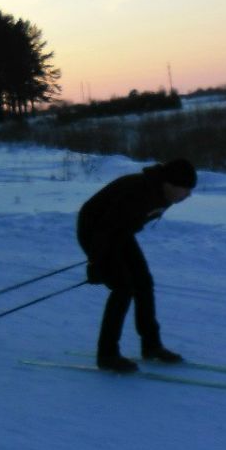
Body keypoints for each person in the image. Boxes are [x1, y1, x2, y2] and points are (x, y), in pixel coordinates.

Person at [76, 158, 197, 372]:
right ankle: (107, 354)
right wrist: (95, 263)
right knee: (123, 288)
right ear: (170, 184)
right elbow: (105, 227)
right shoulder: (138, 192)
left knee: (143, 282)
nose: (188, 195)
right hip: (95, 230)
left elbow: (124, 224)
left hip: (120, 232)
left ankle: (151, 346)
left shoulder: (164, 194)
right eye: (186, 189)